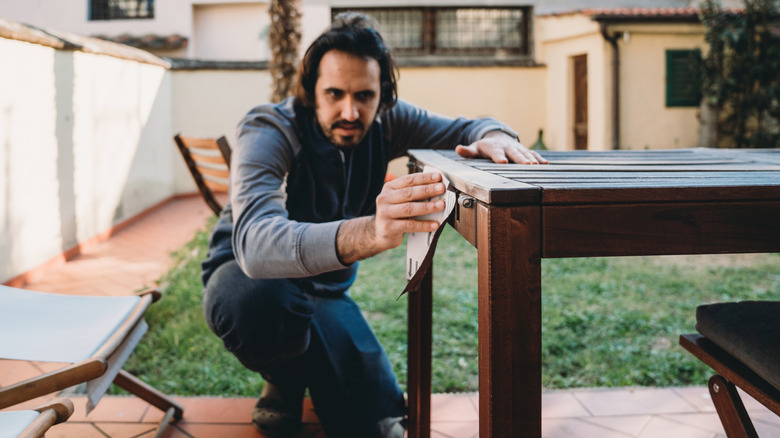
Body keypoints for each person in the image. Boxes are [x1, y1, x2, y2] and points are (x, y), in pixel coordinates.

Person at [201, 11, 547, 438]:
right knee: (254, 301)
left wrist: (496, 135)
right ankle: (284, 378)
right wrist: (372, 231)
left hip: (327, 292)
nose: (350, 111)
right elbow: (255, 245)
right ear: (310, 92)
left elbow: (470, 127)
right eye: (334, 94)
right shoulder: (269, 128)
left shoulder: (387, 121)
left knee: (379, 422)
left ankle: (308, 363)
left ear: (382, 96)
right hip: (247, 278)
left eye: (365, 96)